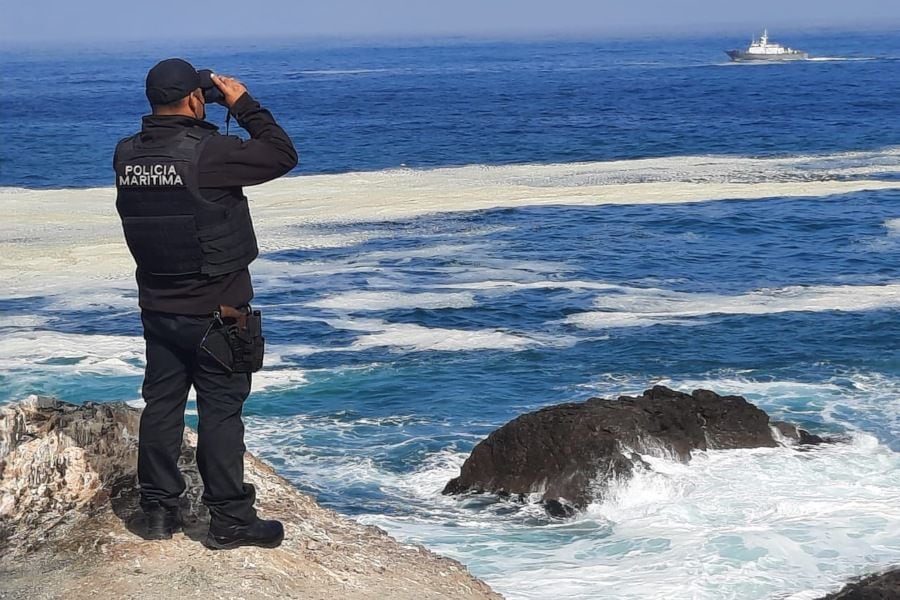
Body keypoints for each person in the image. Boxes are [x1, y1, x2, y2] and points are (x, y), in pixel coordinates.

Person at [113, 58, 297, 550]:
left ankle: (157, 510)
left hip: (158, 308)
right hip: (218, 311)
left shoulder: (126, 154)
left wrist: (204, 107)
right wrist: (242, 103)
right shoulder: (210, 154)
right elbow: (281, 155)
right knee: (220, 411)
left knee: (162, 405)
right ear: (196, 100)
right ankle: (230, 519)